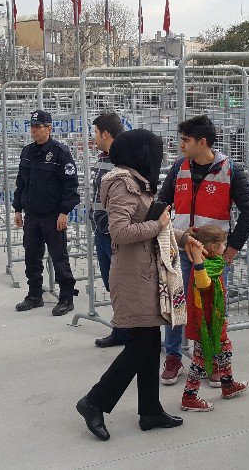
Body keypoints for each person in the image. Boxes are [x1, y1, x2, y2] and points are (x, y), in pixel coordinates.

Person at [75, 129, 182, 441]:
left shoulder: (137, 181)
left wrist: (184, 237)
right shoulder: (123, 183)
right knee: (141, 346)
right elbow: (120, 231)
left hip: (145, 272)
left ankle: (150, 410)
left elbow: (154, 231)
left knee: (147, 345)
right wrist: (157, 224)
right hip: (133, 276)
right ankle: (94, 401)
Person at [157, 115, 249, 385]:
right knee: (176, 304)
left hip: (212, 258)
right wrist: (169, 232)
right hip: (179, 252)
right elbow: (163, 202)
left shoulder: (230, 169)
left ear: (202, 142)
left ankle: (212, 360)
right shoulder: (179, 167)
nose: (181, 145)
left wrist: (231, 250)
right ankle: (174, 356)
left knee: (212, 308)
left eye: (186, 140)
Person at [12, 110, 81, 316]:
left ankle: (66, 298)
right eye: (31, 127)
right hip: (32, 215)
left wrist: (64, 212)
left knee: (59, 257)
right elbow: (21, 183)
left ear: (48, 129)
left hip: (53, 215)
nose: (33, 131)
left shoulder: (60, 152)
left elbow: (70, 185)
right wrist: (17, 208)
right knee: (32, 256)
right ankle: (34, 295)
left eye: (37, 127)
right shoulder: (27, 152)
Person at [179, 224, 249, 412]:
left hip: (215, 319)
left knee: (224, 348)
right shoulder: (202, 264)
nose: (225, 247)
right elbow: (203, 284)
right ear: (211, 247)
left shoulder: (213, 260)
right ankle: (189, 396)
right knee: (201, 359)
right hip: (206, 323)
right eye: (223, 244)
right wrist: (197, 259)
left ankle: (227, 384)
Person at [90, 112, 127, 348]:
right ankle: (121, 328)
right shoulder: (103, 158)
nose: (93, 137)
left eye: (95, 132)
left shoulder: (124, 159)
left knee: (121, 284)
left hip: (116, 234)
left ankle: (127, 331)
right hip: (101, 232)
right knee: (110, 284)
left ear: (105, 133)